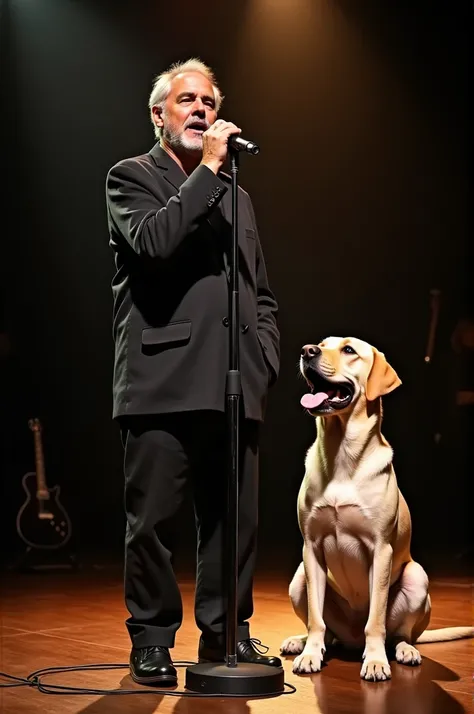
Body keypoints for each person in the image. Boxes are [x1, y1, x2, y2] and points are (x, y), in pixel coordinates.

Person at [105, 58, 281, 685]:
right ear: (160, 115)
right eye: (186, 100)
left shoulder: (239, 197)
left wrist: (264, 356)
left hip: (235, 385)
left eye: (209, 100)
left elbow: (260, 293)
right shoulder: (131, 178)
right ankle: (151, 638)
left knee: (233, 520)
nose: (201, 111)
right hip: (161, 380)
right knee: (152, 521)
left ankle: (226, 633)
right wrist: (208, 169)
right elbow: (155, 243)